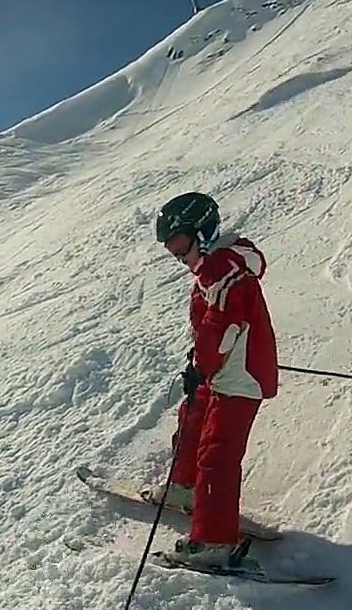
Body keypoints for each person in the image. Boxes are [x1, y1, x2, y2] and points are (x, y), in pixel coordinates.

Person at [149, 191, 278, 571]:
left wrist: (203, 365)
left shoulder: (222, 270)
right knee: (192, 417)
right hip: (222, 369)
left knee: (217, 454)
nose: (176, 254)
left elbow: (221, 327)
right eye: (170, 247)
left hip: (239, 377)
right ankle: (184, 488)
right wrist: (200, 367)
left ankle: (213, 541)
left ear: (201, 232)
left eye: (179, 243)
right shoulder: (216, 265)